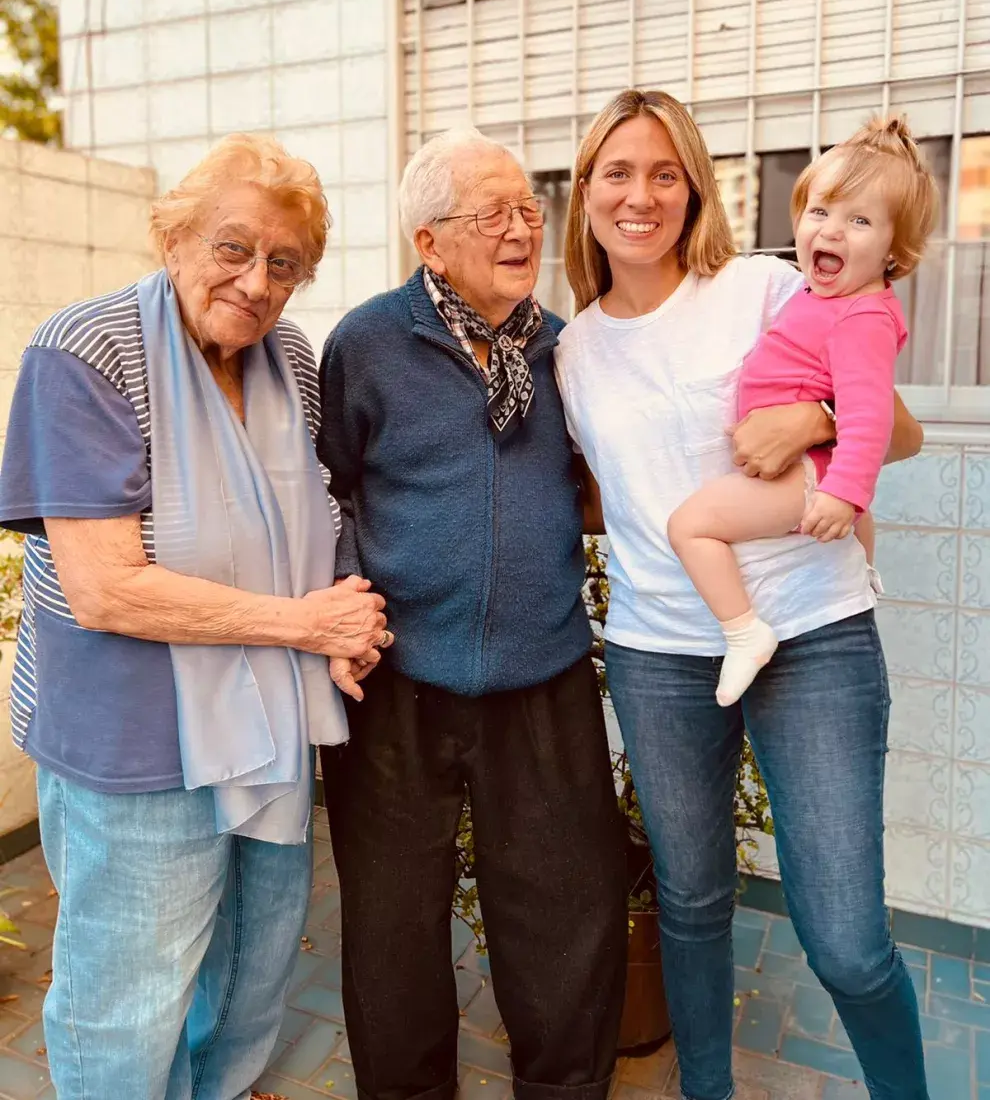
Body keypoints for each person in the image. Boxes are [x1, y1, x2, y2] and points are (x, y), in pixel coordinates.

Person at [554, 89, 929, 1100]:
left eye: (664, 174)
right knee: (690, 904)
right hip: (661, 652)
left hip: (811, 633)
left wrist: (814, 419)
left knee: (847, 940)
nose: (640, 196)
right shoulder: (572, 351)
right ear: (585, 192)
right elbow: (607, 495)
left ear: (694, 190)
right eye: (618, 173)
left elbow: (897, 433)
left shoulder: (765, 286)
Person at [0, 134, 389, 1100]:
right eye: (233, 247)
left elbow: (321, 510)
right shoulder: (85, 351)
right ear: (172, 236)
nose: (257, 282)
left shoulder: (290, 358)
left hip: (270, 722)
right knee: (128, 1003)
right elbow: (105, 589)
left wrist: (346, 620)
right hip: (134, 741)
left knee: (253, 969)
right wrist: (307, 627)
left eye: (285, 264)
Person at [317, 127, 627, 1100]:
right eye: (491, 213)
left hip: (544, 671)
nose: (521, 229)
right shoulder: (368, 343)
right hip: (398, 676)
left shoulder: (564, 348)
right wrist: (346, 609)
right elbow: (333, 489)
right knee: (392, 919)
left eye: (528, 209)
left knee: (564, 908)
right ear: (430, 241)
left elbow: (596, 480)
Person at [667, 115, 937, 706]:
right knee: (847, 531)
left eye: (860, 221)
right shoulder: (822, 296)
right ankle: (862, 570)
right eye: (820, 211)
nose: (832, 230)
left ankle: (744, 633)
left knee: (689, 526)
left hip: (807, 476)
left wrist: (843, 494)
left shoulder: (863, 317)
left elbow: (868, 416)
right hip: (807, 472)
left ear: (895, 250)